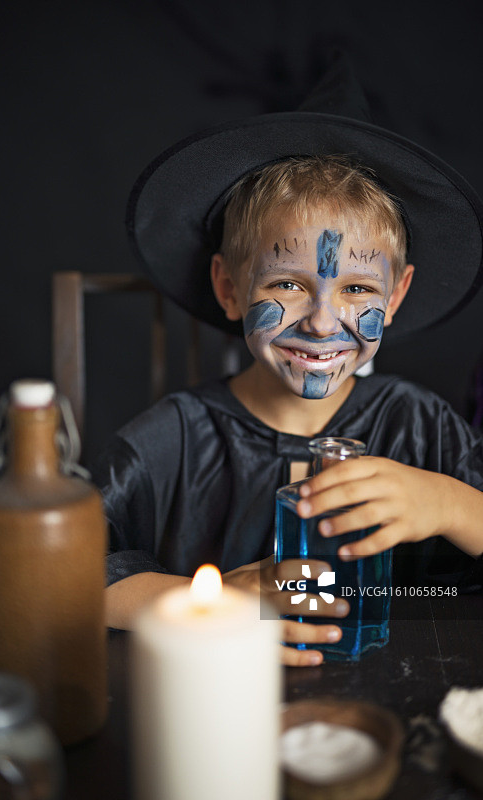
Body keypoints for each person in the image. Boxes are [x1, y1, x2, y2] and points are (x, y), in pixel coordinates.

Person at [94, 54, 483, 666]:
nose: (323, 323)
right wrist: (212, 601)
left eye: (357, 288)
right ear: (228, 288)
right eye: (288, 284)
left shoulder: (422, 429)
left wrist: (452, 504)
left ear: (395, 296)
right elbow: (55, 575)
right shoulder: (171, 439)